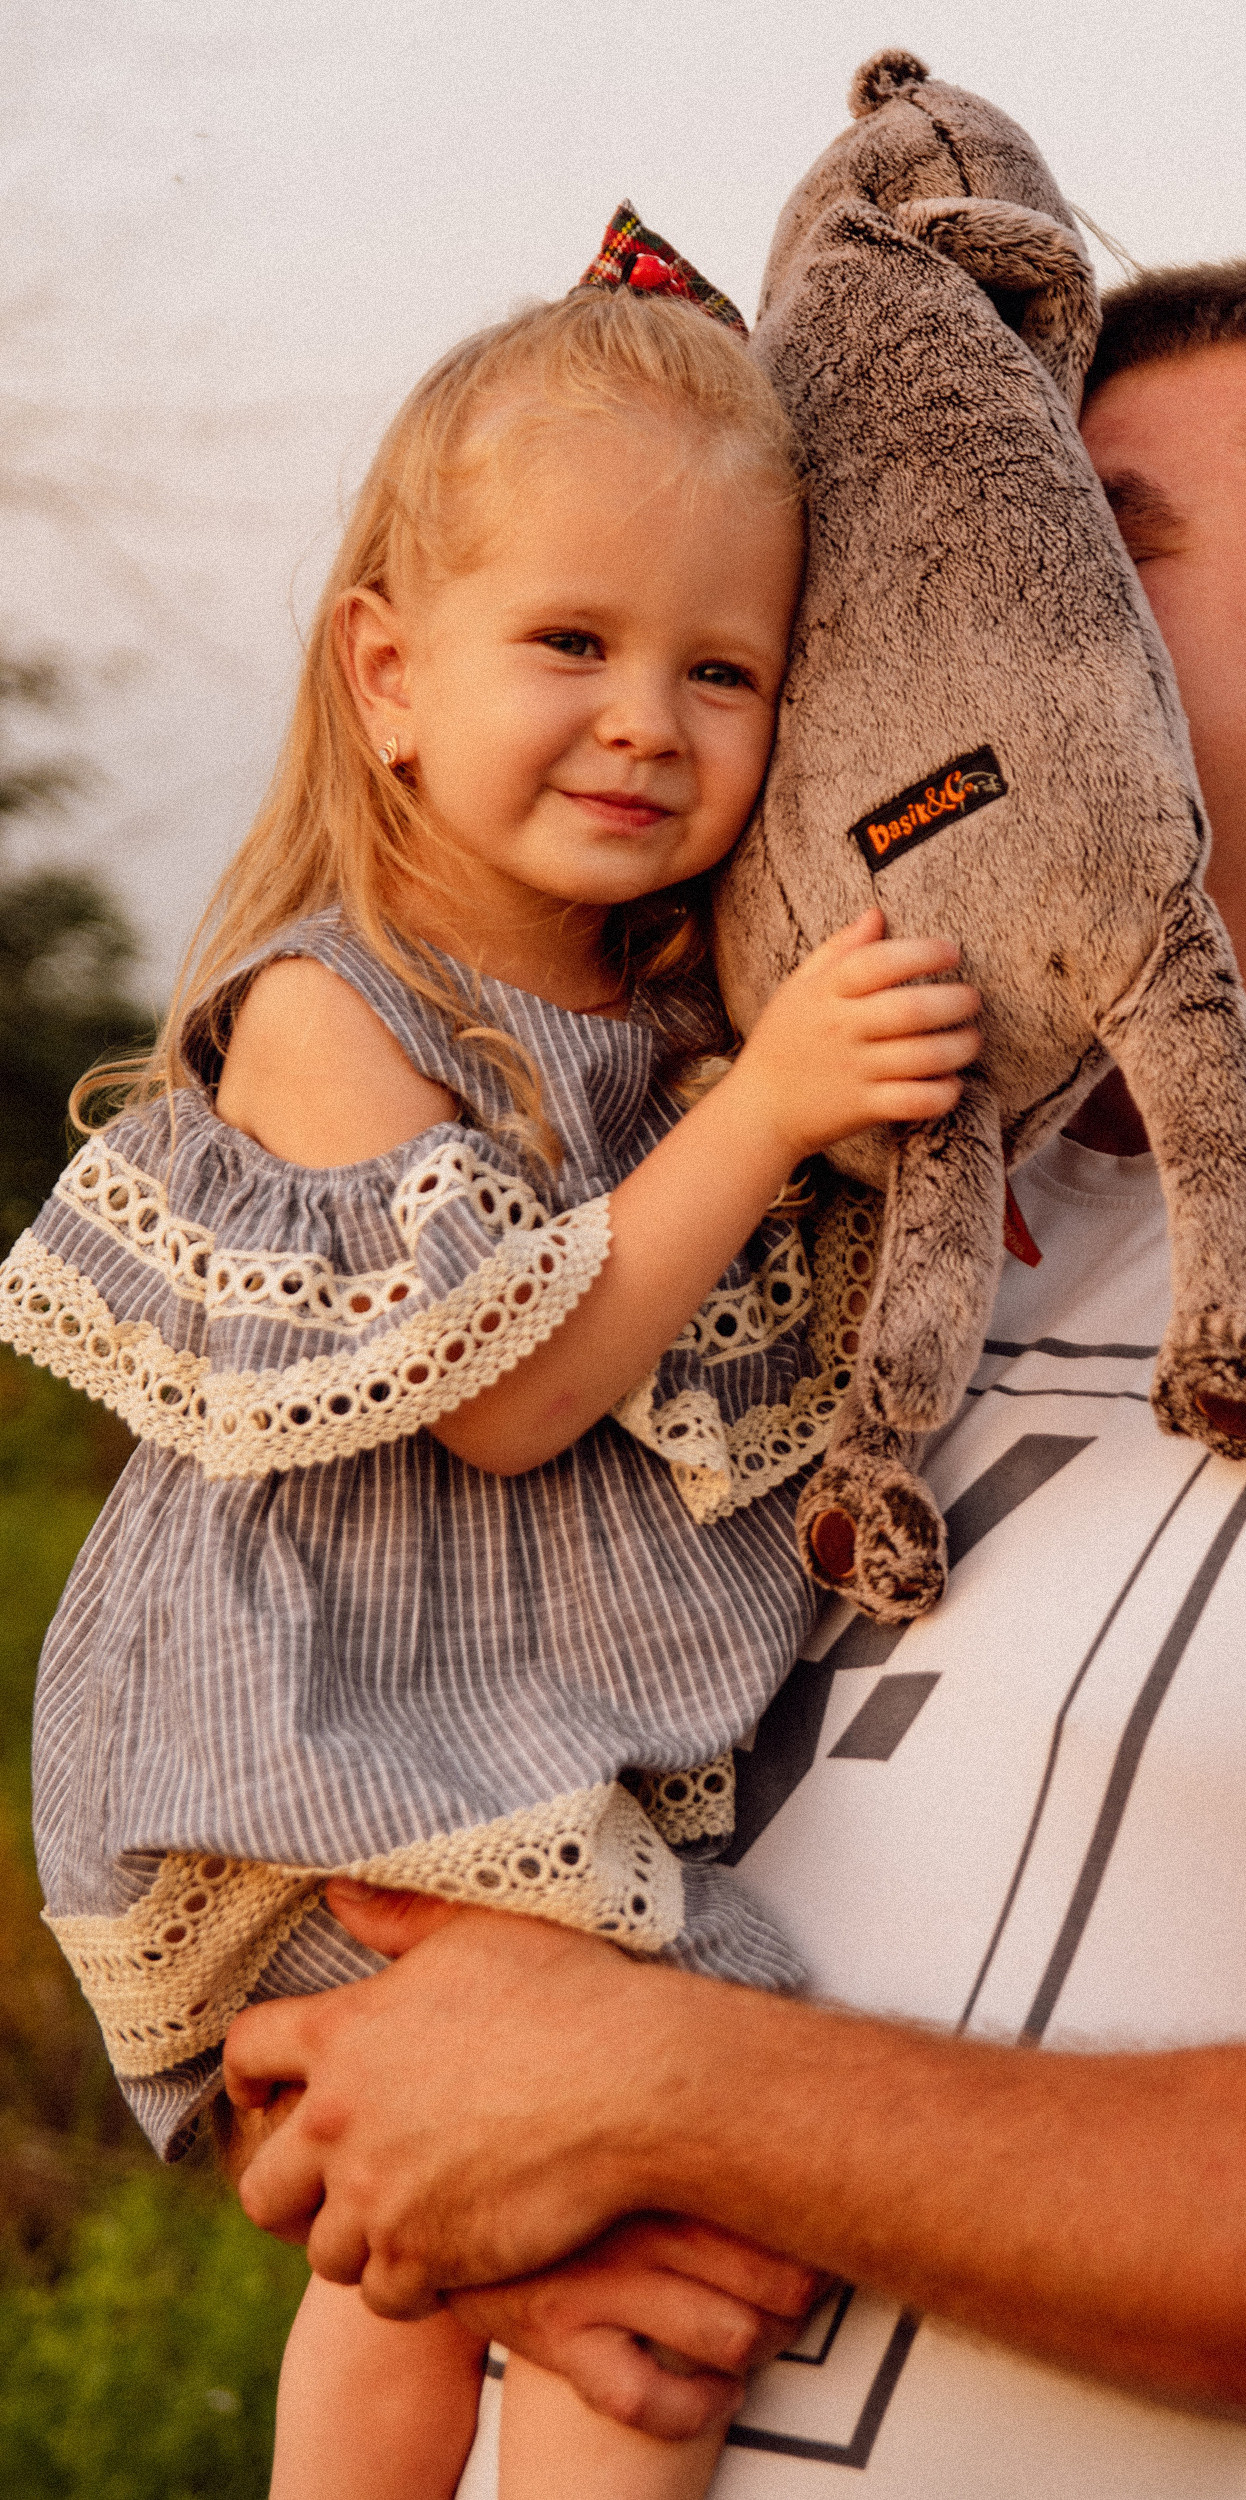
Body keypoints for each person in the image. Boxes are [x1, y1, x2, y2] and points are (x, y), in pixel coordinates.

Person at [223, 262, 1246, 2500]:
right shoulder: (809, 1181)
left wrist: (640, 2086)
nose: (930, 599)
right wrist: (414, 2121)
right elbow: (374, 1731)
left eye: (1095, 536)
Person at [0, 279, 984, 2500]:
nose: (646, 719)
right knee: (621, 2297)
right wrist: (766, 1117)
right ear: (388, 677)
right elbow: (508, 1399)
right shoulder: (325, 1013)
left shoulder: (684, 1034)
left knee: (449, 2275)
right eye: (572, 642)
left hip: (505, 1776)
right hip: (336, 1769)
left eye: (718, 671)